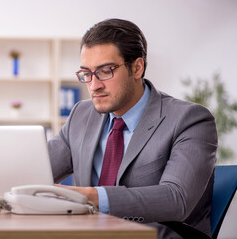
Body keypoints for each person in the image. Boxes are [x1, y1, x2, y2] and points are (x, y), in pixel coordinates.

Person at [48, 18, 217, 238]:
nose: (94, 85)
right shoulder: (81, 114)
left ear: (137, 67)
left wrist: (90, 197)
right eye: (86, 73)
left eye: (106, 71)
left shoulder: (190, 120)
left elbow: (176, 199)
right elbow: (36, 169)